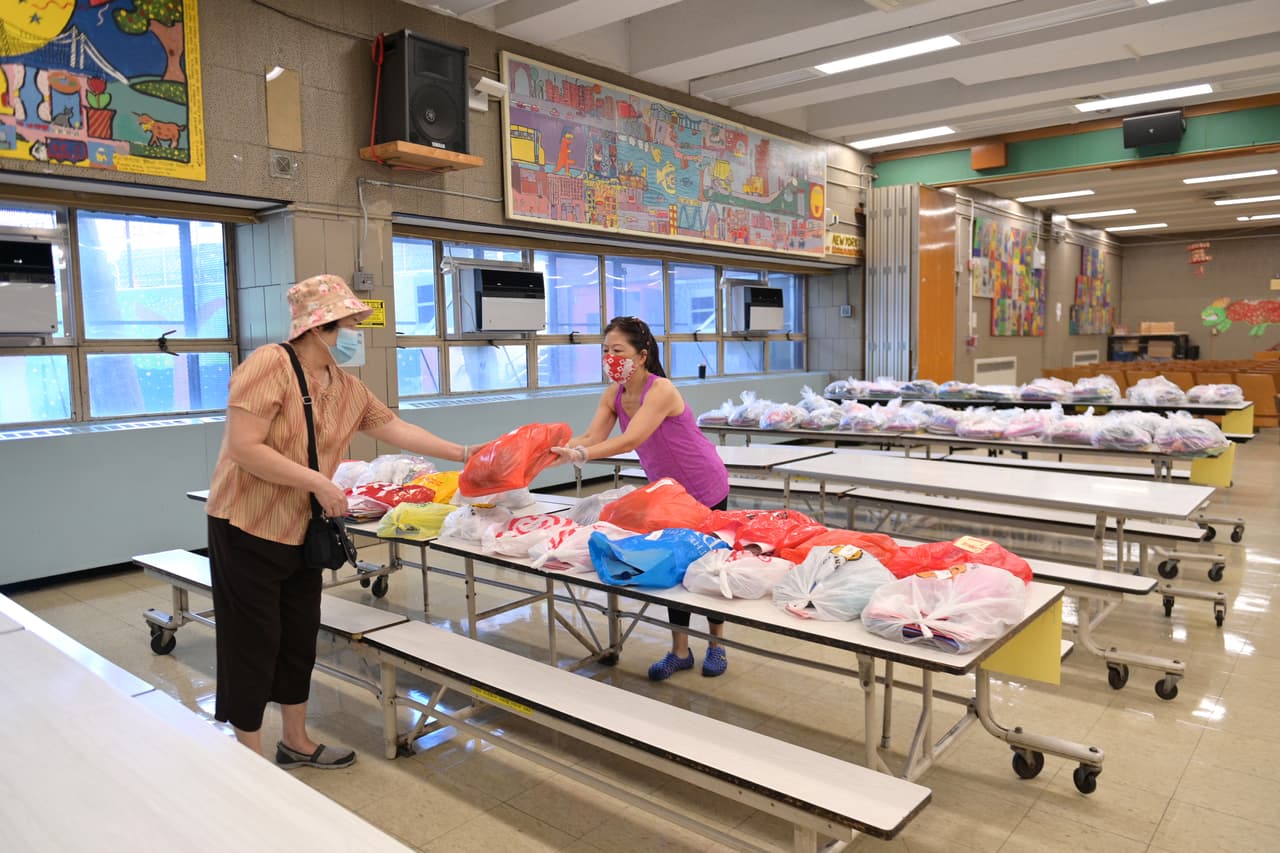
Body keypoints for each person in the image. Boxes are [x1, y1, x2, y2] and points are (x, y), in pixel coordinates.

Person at [205, 274, 483, 769]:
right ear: (320, 327)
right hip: (247, 525)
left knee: (297, 637)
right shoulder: (269, 365)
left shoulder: (345, 384)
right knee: (252, 642)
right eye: (351, 323)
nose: (357, 332)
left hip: (300, 530)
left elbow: (394, 427)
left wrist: (466, 453)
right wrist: (319, 482)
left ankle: (296, 740)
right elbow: (244, 448)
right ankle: (248, 760)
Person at [551, 316, 731, 681]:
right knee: (671, 567)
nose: (610, 357)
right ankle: (680, 651)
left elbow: (631, 439)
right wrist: (556, 448)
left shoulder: (660, 389)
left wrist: (584, 456)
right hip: (667, 492)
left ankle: (716, 645)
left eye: (618, 350)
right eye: (605, 350)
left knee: (709, 567)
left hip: (704, 485)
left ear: (642, 355)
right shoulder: (613, 394)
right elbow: (592, 434)